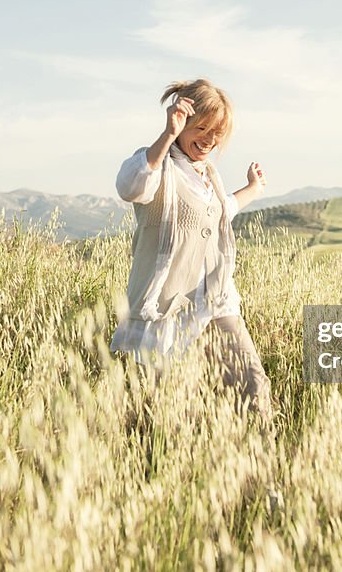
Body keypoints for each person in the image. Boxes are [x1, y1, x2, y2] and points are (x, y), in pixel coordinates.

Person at [110, 78, 273, 425]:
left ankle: (262, 472)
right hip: (165, 310)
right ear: (183, 123)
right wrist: (166, 135)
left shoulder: (208, 174)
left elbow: (219, 212)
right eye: (202, 128)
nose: (210, 140)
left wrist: (252, 190)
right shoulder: (158, 167)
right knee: (160, 411)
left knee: (254, 386)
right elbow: (129, 186)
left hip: (215, 303)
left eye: (217, 133)